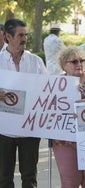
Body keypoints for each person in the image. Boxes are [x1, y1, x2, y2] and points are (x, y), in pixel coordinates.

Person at [0, 18, 47, 188]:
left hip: (30, 128)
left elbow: (49, 90)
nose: (25, 38)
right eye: (20, 35)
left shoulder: (35, 61)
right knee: (4, 178)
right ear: (7, 37)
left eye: (26, 35)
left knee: (29, 178)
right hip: (3, 131)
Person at [52, 46, 85, 188]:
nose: (79, 64)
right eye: (74, 62)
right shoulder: (56, 83)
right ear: (64, 65)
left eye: (82, 60)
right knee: (70, 182)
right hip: (64, 140)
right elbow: (48, 109)